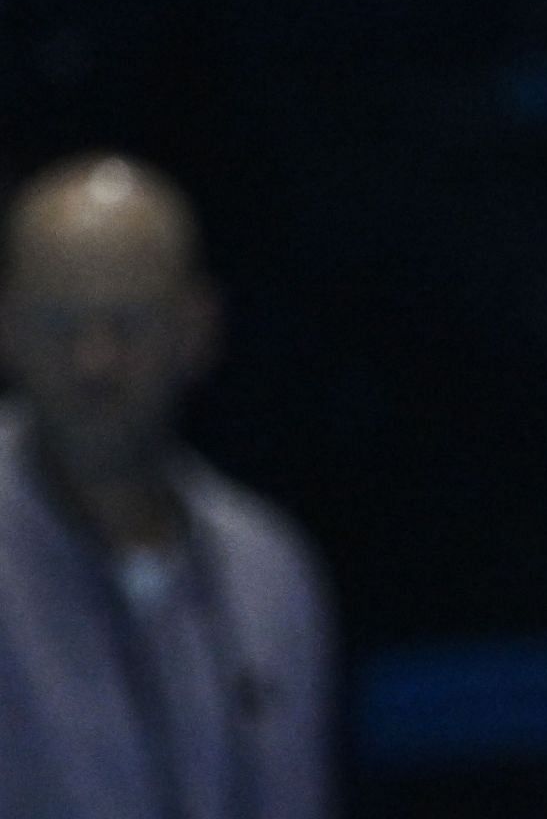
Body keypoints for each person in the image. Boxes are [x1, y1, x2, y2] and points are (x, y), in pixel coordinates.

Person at [0, 153, 336, 819]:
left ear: (196, 326)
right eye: (60, 323)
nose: (95, 361)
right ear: (6, 326)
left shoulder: (270, 573)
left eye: (128, 322)